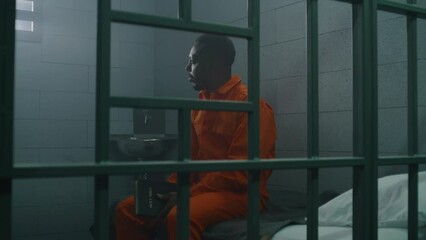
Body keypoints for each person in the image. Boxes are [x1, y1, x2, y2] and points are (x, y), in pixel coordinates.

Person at [115, 34, 276, 240]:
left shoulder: (251, 107)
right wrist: (172, 186)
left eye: (193, 61)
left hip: (242, 194)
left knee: (179, 217)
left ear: (213, 64)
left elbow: (240, 173)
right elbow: (190, 160)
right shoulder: (200, 105)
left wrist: (188, 194)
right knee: (126, 210)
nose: (187, 67)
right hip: (201, 189)